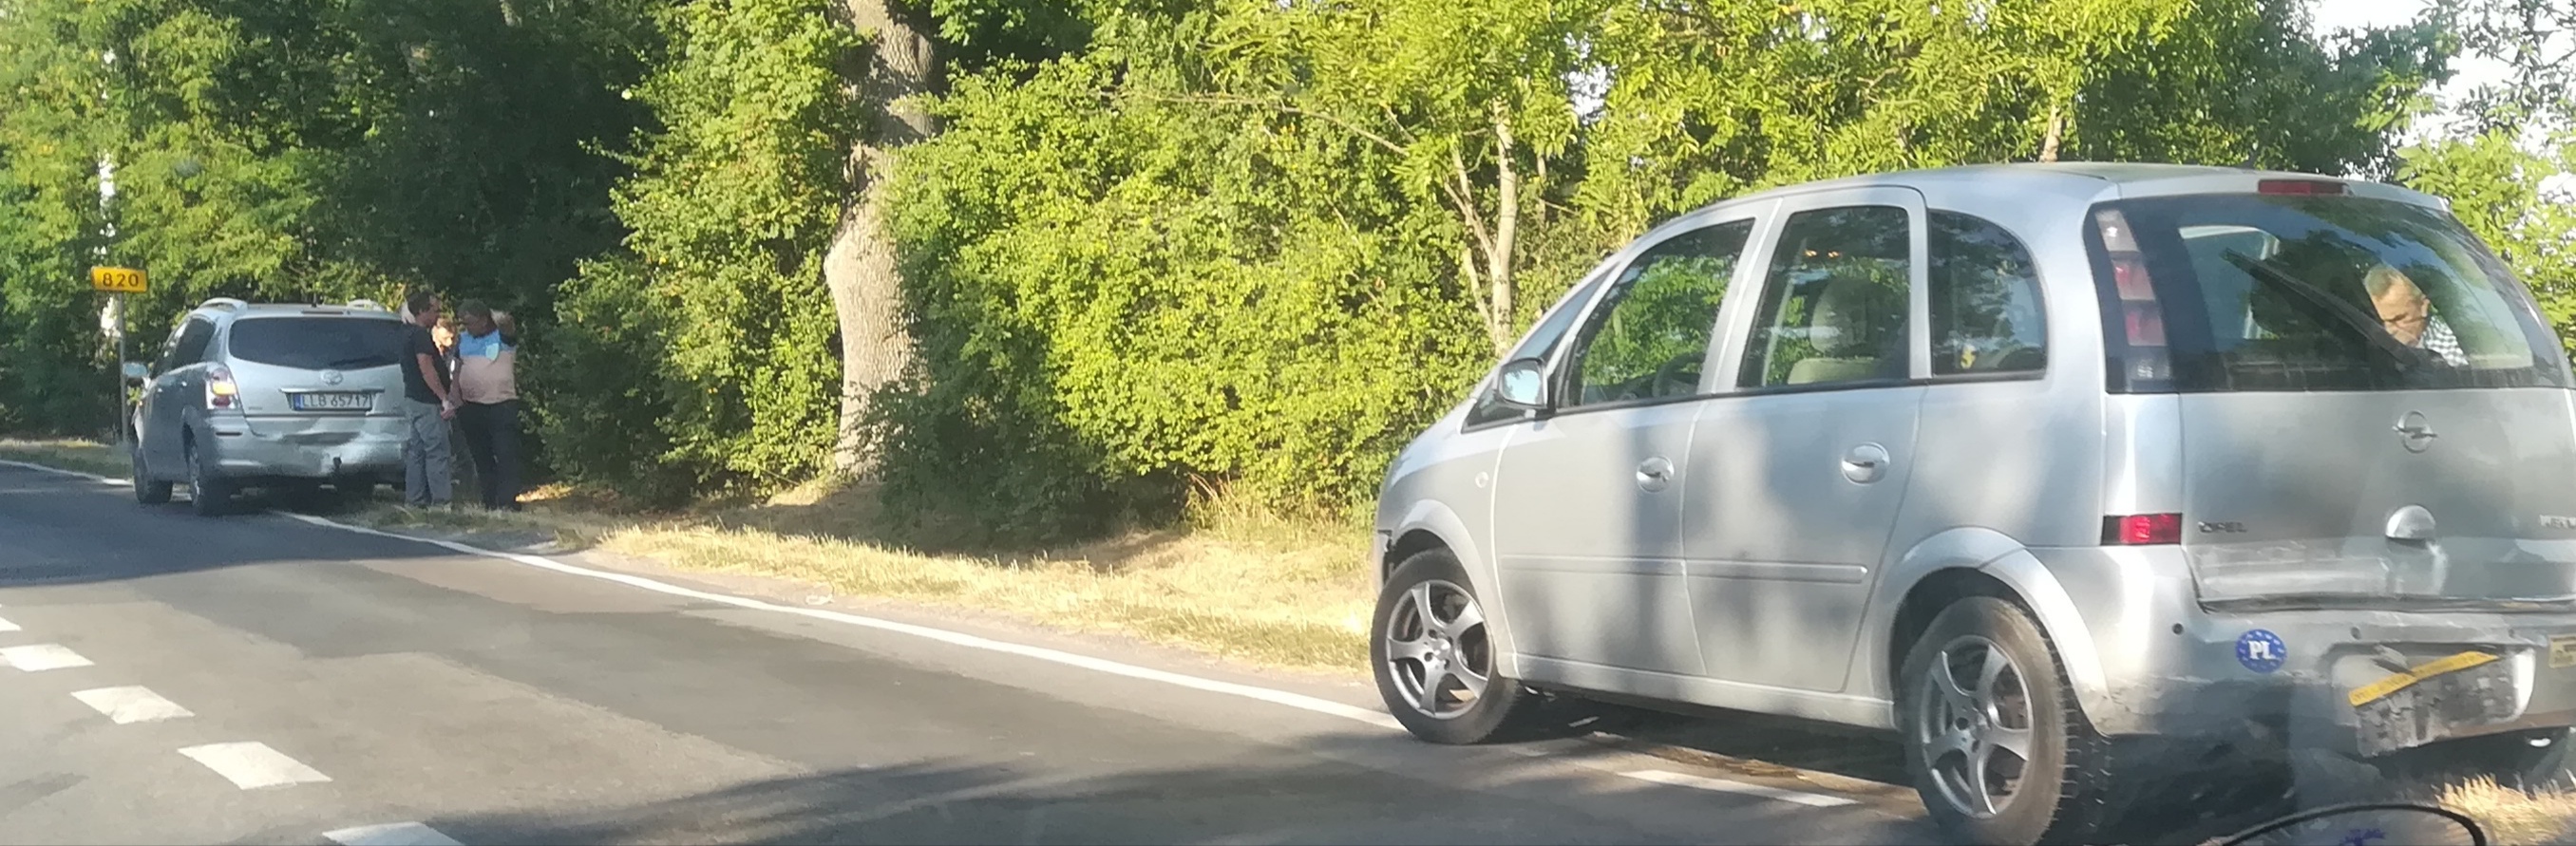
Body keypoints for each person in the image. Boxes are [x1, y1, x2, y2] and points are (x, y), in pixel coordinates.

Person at [451, 301, 522, 511]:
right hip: (472, 406)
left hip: (501, 404)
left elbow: (507, 322)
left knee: (505, 453)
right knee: (481, 456)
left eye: (470, 322)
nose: (467, 327)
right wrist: (454, 391)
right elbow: (456, 366)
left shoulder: (502, 337)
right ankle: (489, 500)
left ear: (484, 320)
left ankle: (507, 500)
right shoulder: (463, 340)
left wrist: (492, 313)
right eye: (463, 323)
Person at [398, 291, 459, 507]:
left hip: (413, 398)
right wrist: (443, 398)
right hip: (427, 400)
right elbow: (427, 368)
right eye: (435, 310)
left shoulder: (406, 333)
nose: (437, 315)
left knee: (417, 450)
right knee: (437, 450)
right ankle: (441, 501)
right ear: (422, 311)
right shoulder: (421, 336)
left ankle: (414, 499)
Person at [2367, 265, 2469, 367]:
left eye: (2398, 319)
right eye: (2383, 321)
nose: (2389, 330)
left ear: (2423, 306)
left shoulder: (2452, 353)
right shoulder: (2377, 353)